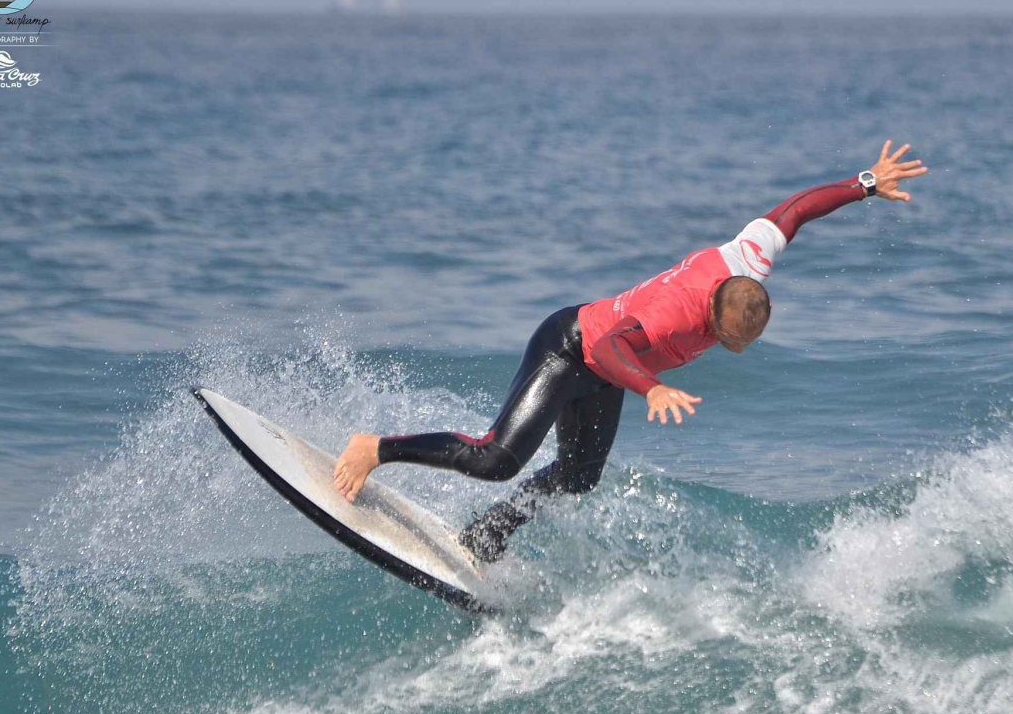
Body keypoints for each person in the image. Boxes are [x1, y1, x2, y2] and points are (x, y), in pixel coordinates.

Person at [333, 140, 928, 561]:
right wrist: (654, 386)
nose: (732, 350)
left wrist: (866, 185)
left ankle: (486, 537)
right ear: (714, 313)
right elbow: (614, 346)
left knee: (579, 475)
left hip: (608, 369)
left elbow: (796, 210)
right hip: (570, 349)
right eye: (726, 340)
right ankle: (376, 448)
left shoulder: (750, 261)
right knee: (497, 459)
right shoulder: (676, 313)